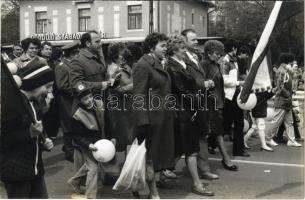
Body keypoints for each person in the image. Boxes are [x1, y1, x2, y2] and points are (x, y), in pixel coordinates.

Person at [166, 35, 214, 196]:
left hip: (188, 110)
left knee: (183, 148)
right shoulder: (172, 66)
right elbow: (181, 90)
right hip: (184, 112)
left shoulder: (180, 64)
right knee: (191, 150)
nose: (184, 51)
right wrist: (197, 99)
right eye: (182, 49)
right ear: (174, 50)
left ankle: (160, 176)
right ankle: (197, 184)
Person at [0, 57, 55, 198]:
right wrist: (29, 134)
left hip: (35, 171)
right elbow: (3, 140)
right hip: (17, 174)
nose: (50, 93)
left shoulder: (34, 104)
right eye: (47, 86)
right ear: (35, 83)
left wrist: (44, 142)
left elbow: (37, 130)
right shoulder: (11, 106)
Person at [132, 32, 175, 199]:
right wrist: (142, 122)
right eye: (162, 46)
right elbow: (138, 95)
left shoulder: (159, 62)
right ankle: (152, 193)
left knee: (156, 157)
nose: (166, 48)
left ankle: (145, 186)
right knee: (150, 157)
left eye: (166, 45)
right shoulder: (143, 65)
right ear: (151, 47)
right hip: (150, 119)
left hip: (162, 117)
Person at [181, 28, 219, 180]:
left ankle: (204, 169)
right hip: (189, 103)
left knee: (202, 135)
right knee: (185, 138)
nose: (197, 42)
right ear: (184, 41)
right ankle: (163, 170)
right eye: (193, 39)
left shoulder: (196, 56)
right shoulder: (181, 58)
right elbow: (185, 80)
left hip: (200, 102)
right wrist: (203, 83)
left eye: (196, 39)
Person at [67, 83, 114, 199]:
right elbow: (77, 136)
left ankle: (75, 181)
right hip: (88, 145)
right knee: (93, 169)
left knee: (89, 166)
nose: (89, 100)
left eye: (89, 97)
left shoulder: (100, 104)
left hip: (100, 143)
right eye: (85, 99)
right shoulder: (77, 116)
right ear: (79, 101)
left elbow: (108, 122)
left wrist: (112, 137)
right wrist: (88, 145)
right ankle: (91, 196)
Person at [202, 40, 240, 170]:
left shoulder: (216, 65)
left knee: (218, 132)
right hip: (209, 104)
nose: (220, 56)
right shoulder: (204, 65)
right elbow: (200, 84)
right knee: (215, 132)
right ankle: (225, 159)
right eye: (217, 53)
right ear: (209, 53)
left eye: (220, 53)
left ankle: (223, 159)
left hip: (217, 103)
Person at [221, 39, 249, 157]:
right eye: (236, 48)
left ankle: (238, 150)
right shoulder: (225, 60)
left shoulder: (235, 60)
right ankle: (211, 143)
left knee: (239, 124)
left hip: (236, 95)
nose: (237, 51)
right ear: (233, 48)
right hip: (228, 97)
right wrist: (239, 83)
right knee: (225, 124)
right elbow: (224, 79)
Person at [268, 53, 302, 147]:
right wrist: (288, 95)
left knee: (289, 122)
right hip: (282, 100)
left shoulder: (285, 70)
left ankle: (291, 140)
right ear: (289, 61)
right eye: (292, 61)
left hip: (286, 100)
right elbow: (280, 86)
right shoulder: (282, 71)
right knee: (276, 121)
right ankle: (268, 138)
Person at [54, 41, 80, 162]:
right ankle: (70, 152)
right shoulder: (61, 66)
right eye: (77, 52)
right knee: (68, 126)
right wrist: (76, 93)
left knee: (74, 124)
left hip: (73, 100)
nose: (78, 55)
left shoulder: (72, 65)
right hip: (67, 101)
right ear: (72, 53)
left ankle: (69, 147)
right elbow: (62, 86)